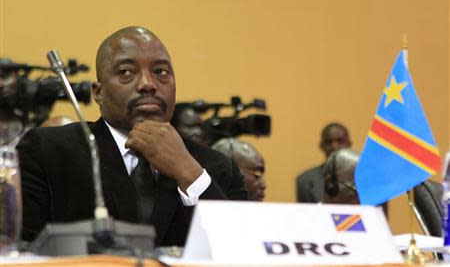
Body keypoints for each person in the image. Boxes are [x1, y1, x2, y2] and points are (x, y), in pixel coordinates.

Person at [17, 26, 247, 247]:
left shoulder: (217, 168)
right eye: (126, 72)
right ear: (98, 93)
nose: (148, 84)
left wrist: (188, 173)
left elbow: (243, 252)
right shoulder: (48, 152)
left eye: (161, 72)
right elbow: (20, 250)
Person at [296, 122, 351, 203]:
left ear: (349, 144)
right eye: (329, 142)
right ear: (321, 146)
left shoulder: (363, 178)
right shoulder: (304, 181)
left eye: (340, 141)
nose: (334, 146)